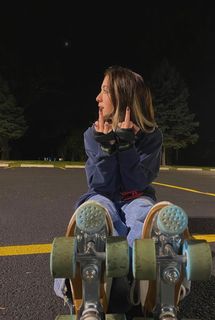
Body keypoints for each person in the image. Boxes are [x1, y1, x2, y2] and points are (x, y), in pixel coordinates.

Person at [54, 65, 163, 305]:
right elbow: (101, 185)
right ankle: (81, 281)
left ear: (123, 98)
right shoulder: (91, 135)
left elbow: (137, 181)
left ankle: (141, 279)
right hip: (105, 194)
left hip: (137, 195)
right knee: (96, 210)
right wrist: (106, 147)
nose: (97, 97)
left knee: (141, 214)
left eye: (104, 91)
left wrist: (126, 146)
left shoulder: (151, 136)